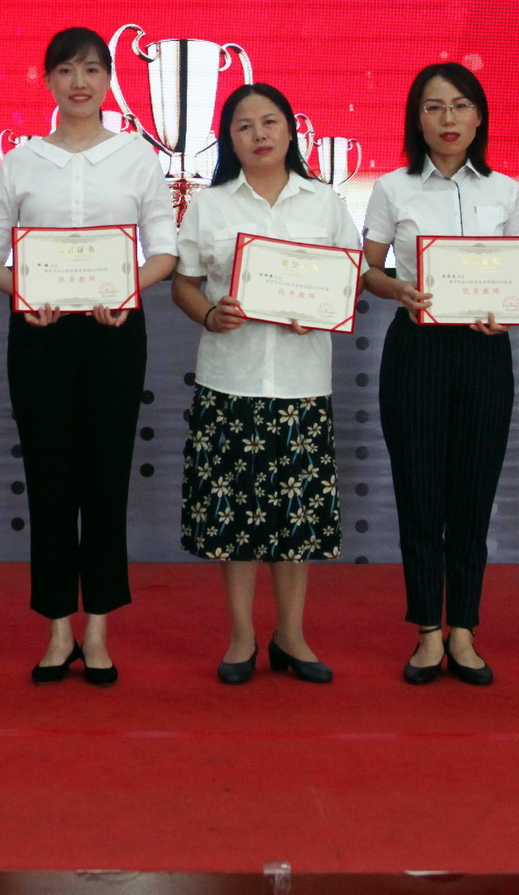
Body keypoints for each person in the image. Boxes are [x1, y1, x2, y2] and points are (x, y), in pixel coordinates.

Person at [0, 27, 178, 687]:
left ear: (109, 78)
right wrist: (24, 293)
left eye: (91, 69)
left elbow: (165, 251)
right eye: (65, 70)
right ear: (49, 81)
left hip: (116, 332)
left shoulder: (137, 158)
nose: (79, 83)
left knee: (106, 480)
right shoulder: (22, 161)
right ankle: (58, 627)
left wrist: (127, 289)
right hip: (41, 334)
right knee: (50, 479)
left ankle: (99, 630)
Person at [171, 82, 358, 685]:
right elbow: (184, 282)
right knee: (234, 518)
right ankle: (241, 636)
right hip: (231, 379)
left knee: (296, 518)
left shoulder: (324, 202)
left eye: (270, 121)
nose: (259, 134)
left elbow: (349, 278)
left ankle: (291, 635)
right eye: (244, 125)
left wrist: (321, 307)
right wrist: (209, 314)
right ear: (229, 138)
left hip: (302, 383)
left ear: (290, 130)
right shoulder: (210, 205)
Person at [361, 63, 519, 687]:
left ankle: (465, 629)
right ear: (417, 119)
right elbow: (366, 269)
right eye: (433, 107)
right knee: (420, 494)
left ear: (479, 116)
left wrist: (509, 309)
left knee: (472, 496)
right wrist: (397, 290)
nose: (448, 119)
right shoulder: (392, 188)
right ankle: (427, 631)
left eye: (460, 105)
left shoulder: (505, 191)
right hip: (417, 350)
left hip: (485, 352)